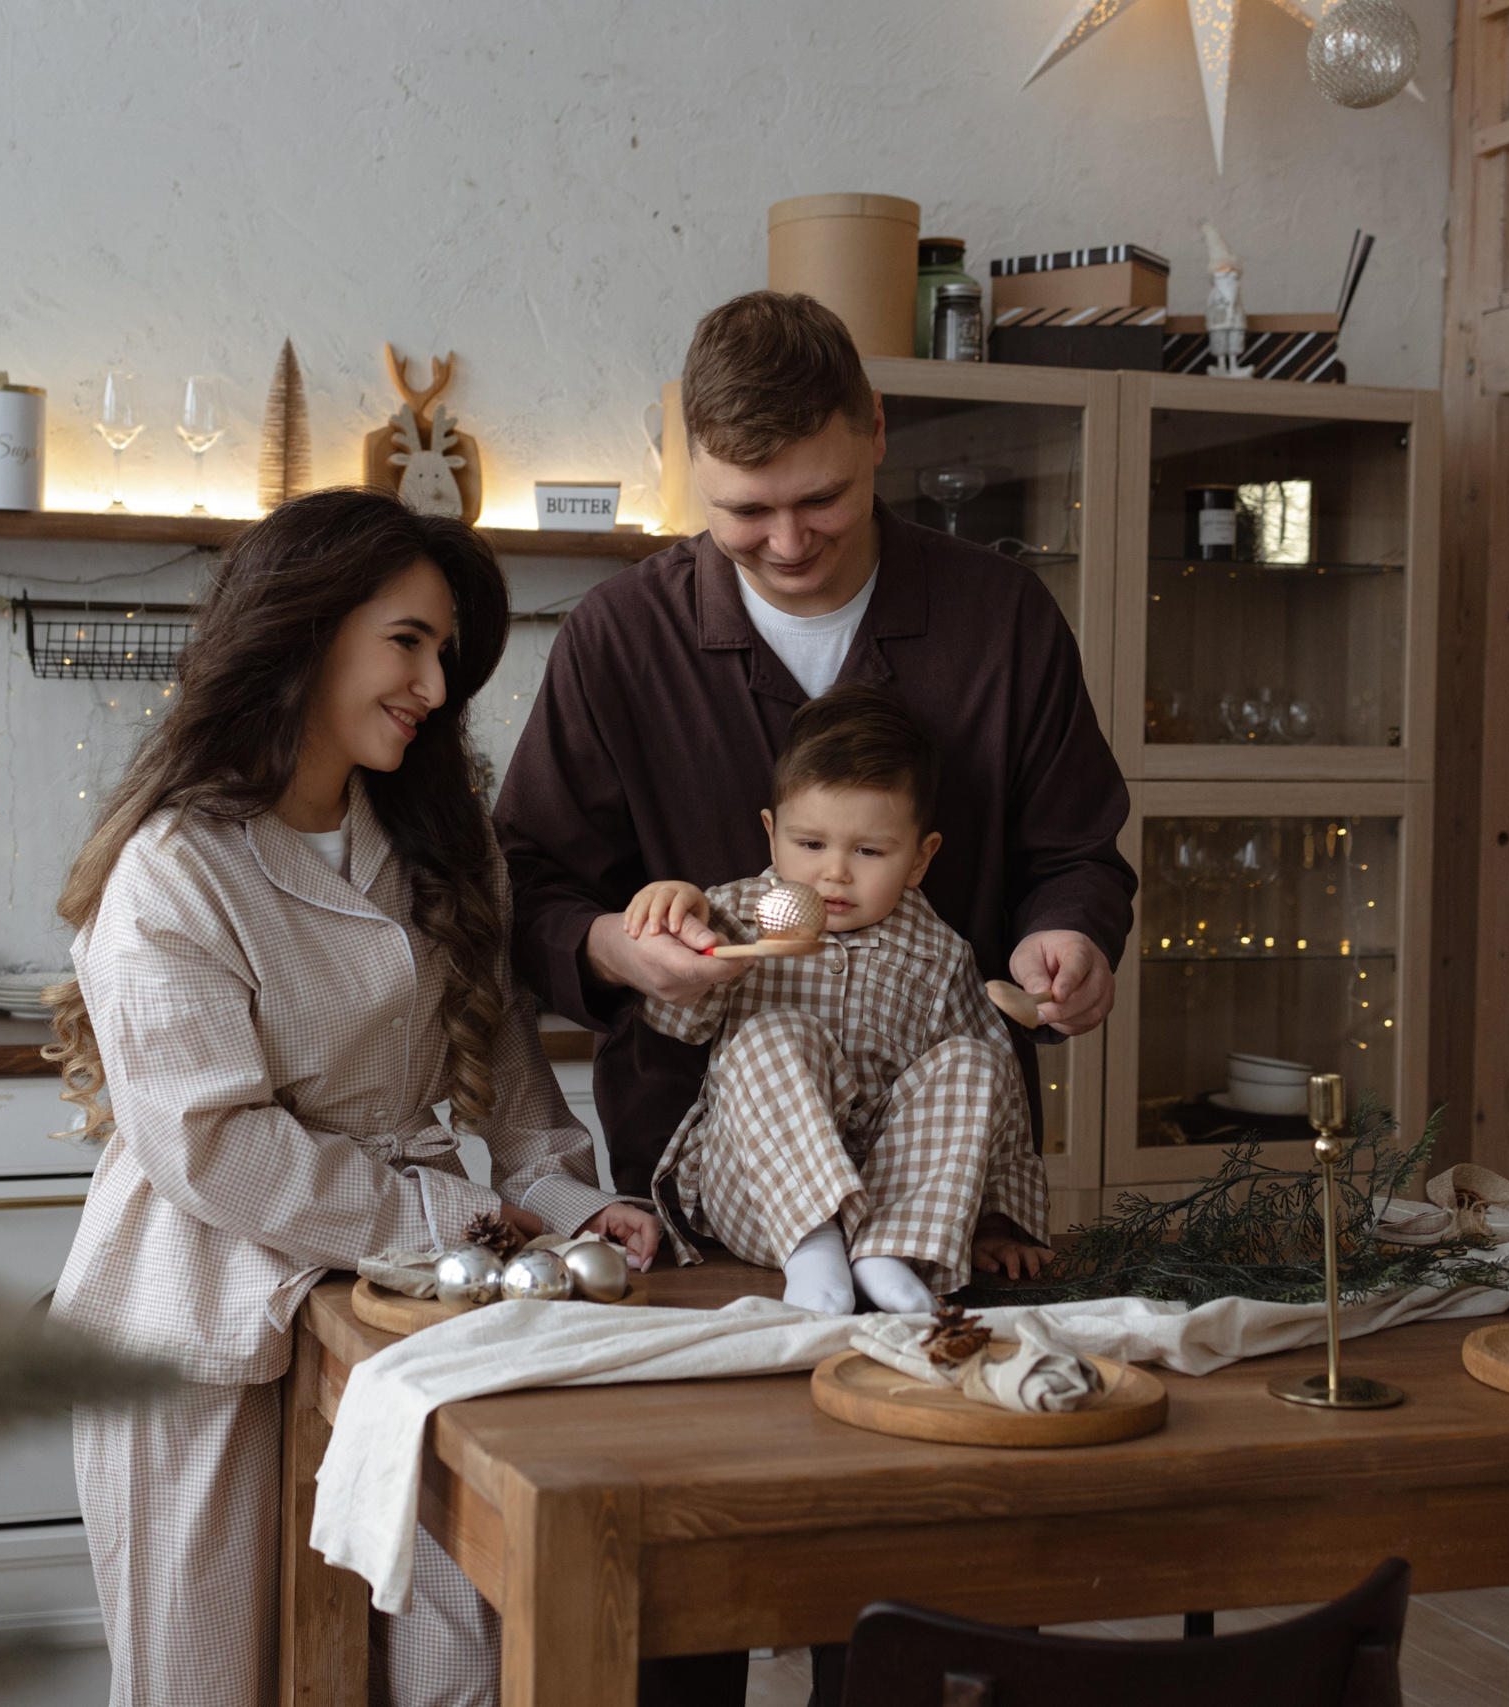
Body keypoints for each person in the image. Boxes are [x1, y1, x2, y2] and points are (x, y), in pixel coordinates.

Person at [493, 290, 1133, 1707]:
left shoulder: (999, 617)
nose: (786, 541)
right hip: (697, 1201)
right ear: (690, 474)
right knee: (685, 1584)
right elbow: (529, 885)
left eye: (820, 501)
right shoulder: (617, 639)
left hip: (935, 1189)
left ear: (877, 432)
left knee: (911, 1580)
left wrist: (1068, 937)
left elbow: (1081, 850)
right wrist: (612, 949)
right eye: (743, 511)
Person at [45, 489, 662, 1707]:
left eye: (445, 654)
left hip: (403, 1313)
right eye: (406, 643)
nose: (433, 686)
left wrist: (567, 1200)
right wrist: (444, 1220)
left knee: (452, 1657)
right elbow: (213, 1146)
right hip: (203, 1305)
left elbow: (506, 1068)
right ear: (305, 631)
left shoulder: (440, 837)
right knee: (211, 1677)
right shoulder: (175, 866)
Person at [625, 681, 1053, 1315]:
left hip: (892, 1191)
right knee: (776, 1033)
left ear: (919, 859)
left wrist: (997, 1221)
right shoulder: (734, 915)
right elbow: (674, 1019)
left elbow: (998, 1103)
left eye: (869, 851)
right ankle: (813, 1246)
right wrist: (674, 921)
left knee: (978, 1059)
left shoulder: (940, 952)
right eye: (810, 844)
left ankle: (888, 1253)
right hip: (757, 1189)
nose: (835, 872)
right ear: (772, 834)